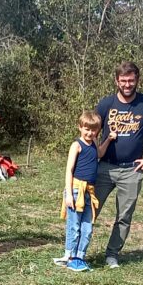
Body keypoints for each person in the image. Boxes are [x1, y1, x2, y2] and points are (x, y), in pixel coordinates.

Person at [94, 61, 143, 268]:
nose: (127, 84)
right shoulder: (106, 104)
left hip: (132, 170)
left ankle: (112, 254)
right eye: (123, 80)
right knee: (89, 210)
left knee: (124, 216)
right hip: (104, 168)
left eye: (131, 80)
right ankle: (78, 251)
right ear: (117, 81)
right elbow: (91, 131)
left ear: (137, 80)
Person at [54, 111, 114, 272]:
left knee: (87, 227)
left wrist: (108, 139)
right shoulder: (77, 145)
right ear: (80, 127)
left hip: (89, 191)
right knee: (74, 226)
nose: (90, 133)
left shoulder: (94, 142)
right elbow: (69, 170)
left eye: (94, 130)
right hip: (76, 189)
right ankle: (70, 256)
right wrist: (68, 194)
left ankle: (80, 256)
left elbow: (99, 154)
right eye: (86, 129)